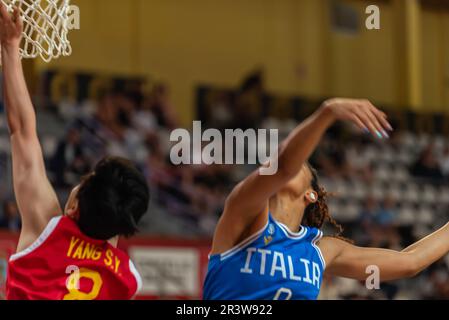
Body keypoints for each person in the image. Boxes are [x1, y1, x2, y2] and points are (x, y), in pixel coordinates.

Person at [203, 97, 449, 300]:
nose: (278, 159)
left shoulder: (321, 250)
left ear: (310, 194)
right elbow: (284, 168)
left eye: (302, 164)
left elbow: (410, 262)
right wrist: (327, 113)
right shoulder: (243, 212)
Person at [1, 5, 149, 300]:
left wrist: (10, 46)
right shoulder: (127, 280)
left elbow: (23, 131)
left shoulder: (46, 229)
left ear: (73, 208)